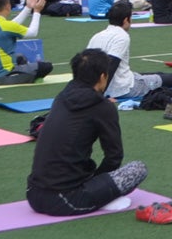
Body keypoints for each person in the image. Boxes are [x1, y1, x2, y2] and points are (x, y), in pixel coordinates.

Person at [25, 49, 149, 216]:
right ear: (103, 77)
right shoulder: (102, 107)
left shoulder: (61, 97)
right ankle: (97, 193)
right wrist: (98, 182)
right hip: (67, 199)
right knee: (138, 168)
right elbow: (114, 156)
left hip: (33, 193)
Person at [87, 1, 172, 101]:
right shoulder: (122, 36)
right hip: (123, 88)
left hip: (103, 85)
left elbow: (87, 65)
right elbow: (112, 64)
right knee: (164, 79)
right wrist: (99, 96)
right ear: (126, 20)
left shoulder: (97, 36)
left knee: (158, 74)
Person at [0, 0, 53, 85]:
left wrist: (28, 7)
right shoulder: (5, 26)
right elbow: (32, 33)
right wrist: (37, 12)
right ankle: (25, 75)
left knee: (20, 57)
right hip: (1, 76)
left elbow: (10, 26)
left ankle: (24, 72)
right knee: (46, 66)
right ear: (8, 6)